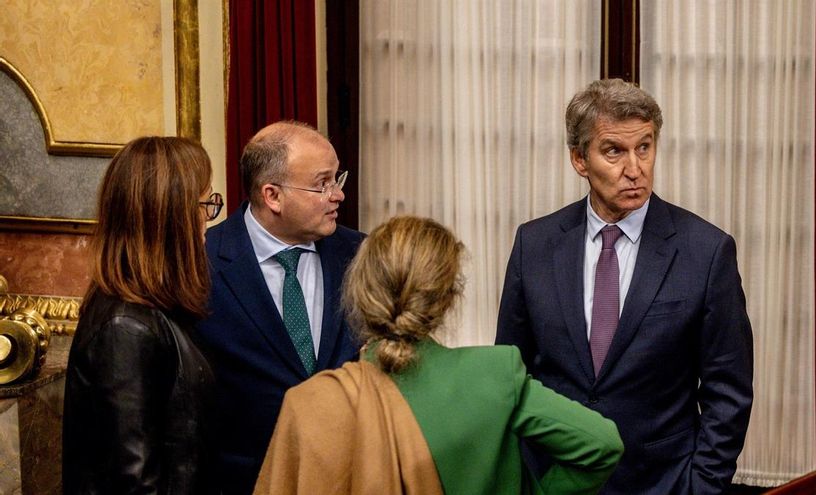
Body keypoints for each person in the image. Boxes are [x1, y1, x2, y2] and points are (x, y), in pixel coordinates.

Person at [496, 79, 754, 494]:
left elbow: (729, 391)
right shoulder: (535, 244)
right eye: (614, 150)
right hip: (553, 481)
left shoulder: (705, 251)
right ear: (580, 160)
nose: (635, 168)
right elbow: (511, 373)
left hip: (661, 483)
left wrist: (701, 487)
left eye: (645, 147)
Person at [254, 216, 624, 495]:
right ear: (448, 299)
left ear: (358, 290)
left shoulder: (311, 405)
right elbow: (601, 445)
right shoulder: (494, 375)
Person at [195, 121, 365, 493]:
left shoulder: (362, 255)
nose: (337, 195)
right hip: (242, 481)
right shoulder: (202, 264)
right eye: (322, 184)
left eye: (338, 179)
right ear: (272, 195)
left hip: (347, 476)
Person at [63, 136, 223, 494]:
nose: (208, 219)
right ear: (171, 216)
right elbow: (134, 484)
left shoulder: (154, 309)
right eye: (205, 204)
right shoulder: (126, 327)